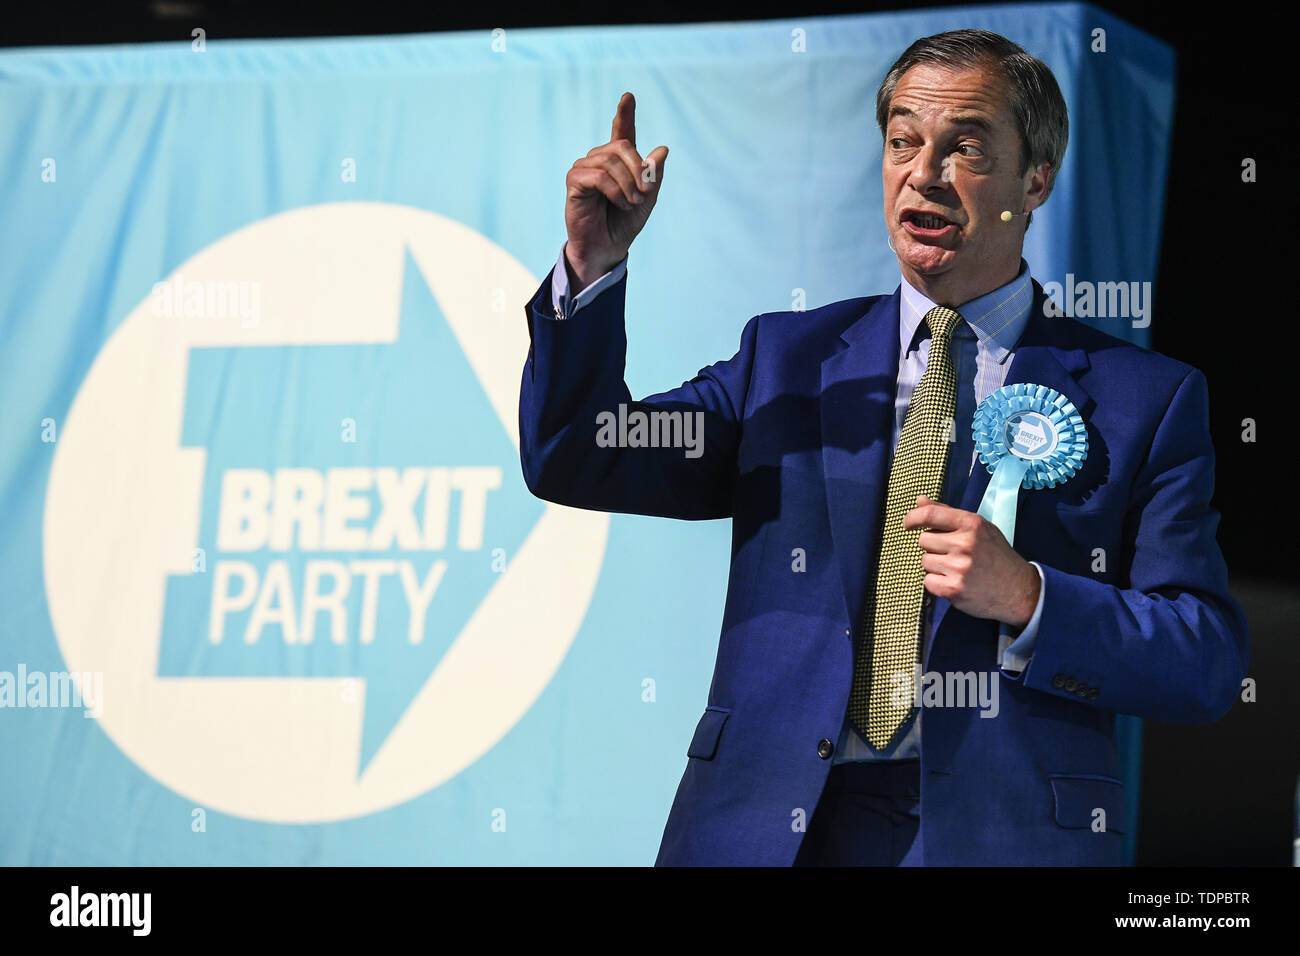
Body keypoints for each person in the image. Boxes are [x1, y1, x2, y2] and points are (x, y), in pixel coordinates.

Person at [517, 29, 1249, 866]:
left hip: (997, 837)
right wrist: (592, 264)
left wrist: (1031, 596)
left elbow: (1205, 661)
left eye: (964, 146)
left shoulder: (1143, 398)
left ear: (1036, 178)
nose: (923, 172)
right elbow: (577, 453)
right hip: (766, 829)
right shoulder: (784, 362)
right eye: (903, 141)